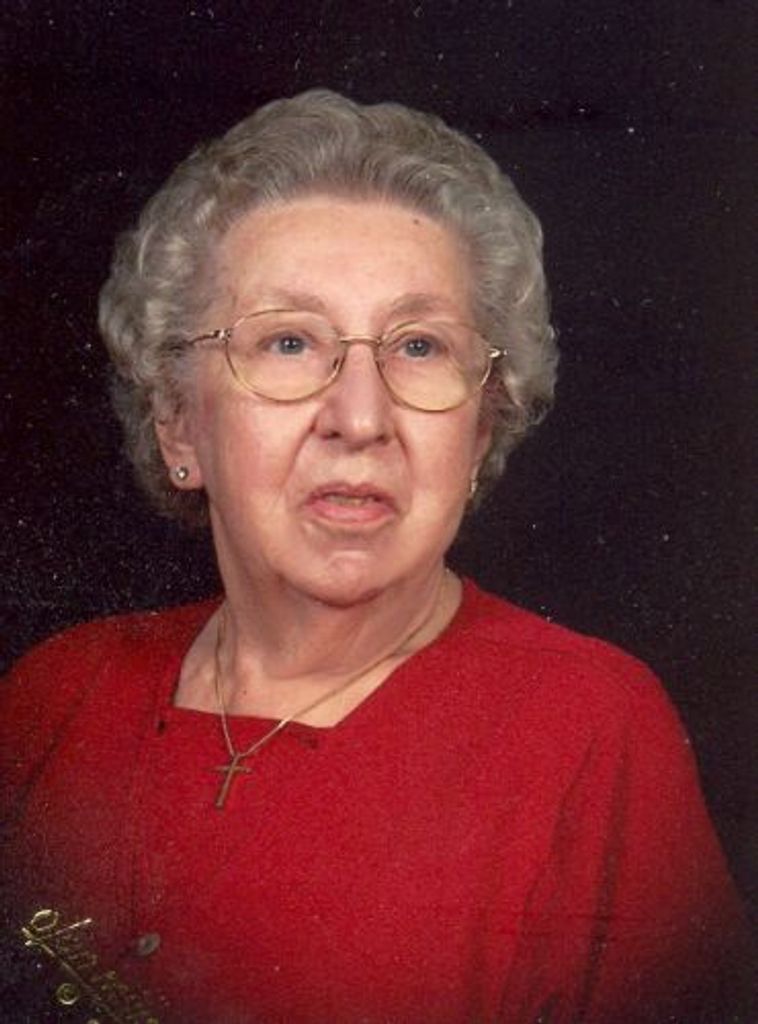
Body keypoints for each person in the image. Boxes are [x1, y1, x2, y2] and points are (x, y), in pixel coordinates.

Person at [0, 90, 753, 1024]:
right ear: (178, 422)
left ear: (481, 430)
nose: (360, 418)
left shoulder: (592, 734)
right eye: (288, 341)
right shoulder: (53, 696)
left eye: (419, 346)